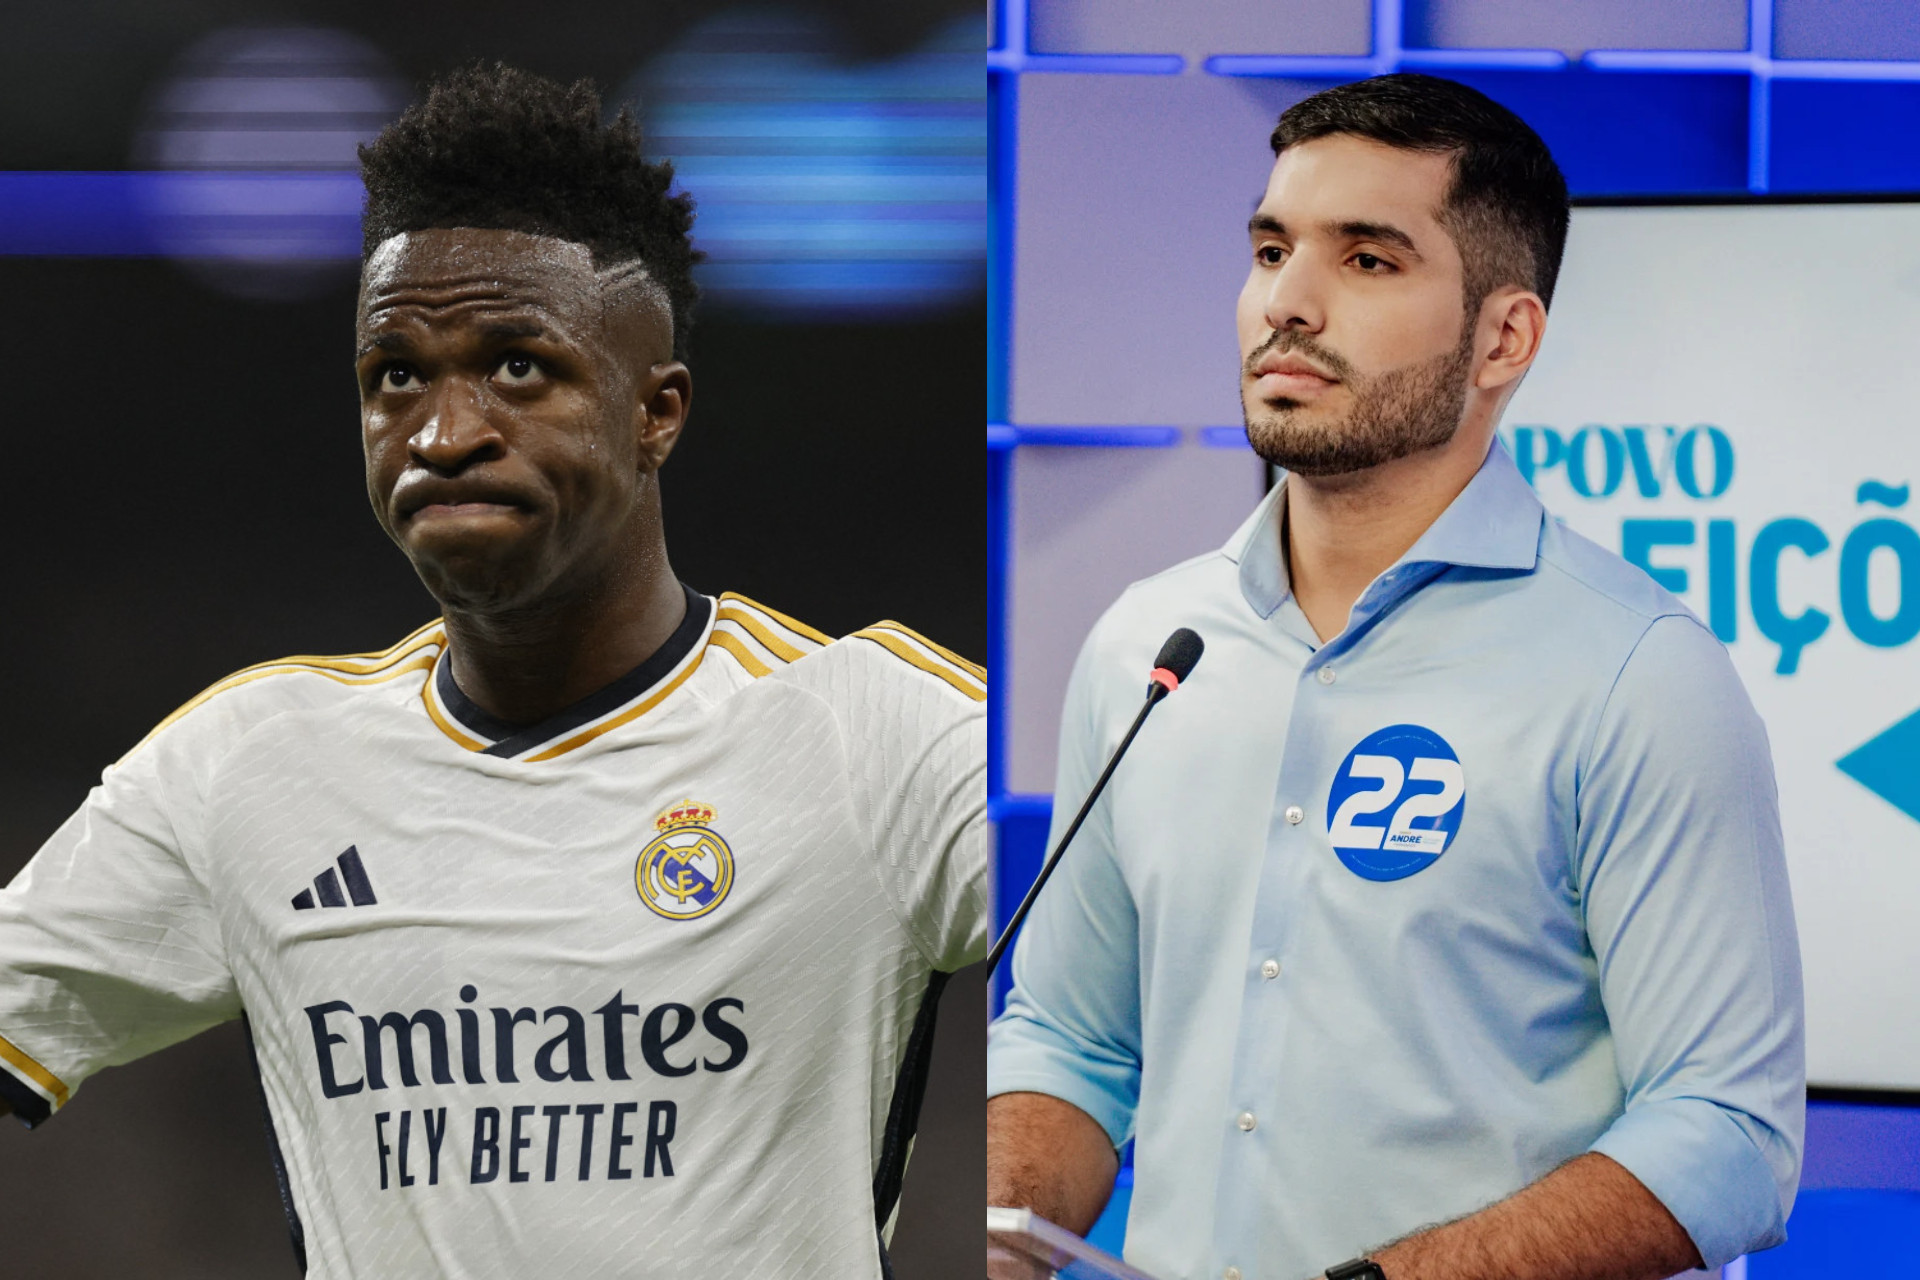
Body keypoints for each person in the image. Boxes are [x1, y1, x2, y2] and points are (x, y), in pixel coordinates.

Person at [0, 64, 987, 1279]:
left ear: (656, 412)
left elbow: (1177, 938)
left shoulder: (872, 732)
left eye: (517, 366)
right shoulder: (243, 765)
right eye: (395, 375)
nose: (441, 430)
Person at [987, 73, 1802, 1280]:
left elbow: (1730, 1132)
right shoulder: (1146, 646)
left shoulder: (1638, 675)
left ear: (1504, 338)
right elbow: (1072, 1038)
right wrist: (997, 1217)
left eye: (1367, 261)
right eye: (1271, 249)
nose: (1289, 304)